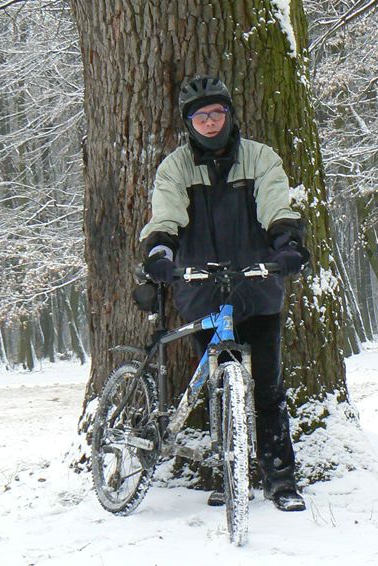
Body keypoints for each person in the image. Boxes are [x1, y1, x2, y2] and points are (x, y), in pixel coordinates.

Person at [138, 75, 309, 512]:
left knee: (267, 388)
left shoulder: (260, 158)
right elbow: (166, 216)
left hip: (257, 285)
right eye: (201, 116)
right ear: (189, 123)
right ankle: (230, 474)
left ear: (230, 115)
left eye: (217, 113)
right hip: (202, 289)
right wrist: (159, 253)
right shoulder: (176, 168)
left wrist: (287, 245)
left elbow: (276, 206)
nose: (210, 122)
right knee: (219, 388)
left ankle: (280, 479)